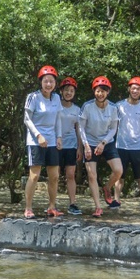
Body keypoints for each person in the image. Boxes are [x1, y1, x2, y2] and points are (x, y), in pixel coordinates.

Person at [23, 65, 64, 218]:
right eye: (46, 81)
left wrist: (59, 137)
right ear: (41, 82)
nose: (48, 84)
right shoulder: (33, 97)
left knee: (54, 176)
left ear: (55, 83)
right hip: (35, 141)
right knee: (34, 175)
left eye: (51, 81)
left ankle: (52, 207)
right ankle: (28, 208)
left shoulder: (57, 98)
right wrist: (38, 135)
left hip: (52, 140)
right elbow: (27, 119)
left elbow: (58, 119)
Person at [80, 76, 122, 217]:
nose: (100, 94)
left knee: (118, 170)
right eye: (98, 91)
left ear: (108, 92)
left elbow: (113, 128)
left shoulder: (113, 108)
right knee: (92, 175)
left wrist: (103, 143)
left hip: (106, 142)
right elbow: (81, 127)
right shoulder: (87, 106)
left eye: (103, 91)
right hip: (90, 142)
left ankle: (107, 188)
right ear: (94, 91)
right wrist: (86, 145)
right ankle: (98, 207)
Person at [115, 75, 140, 212]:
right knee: (119, 175)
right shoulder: (119, 106)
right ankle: (116, 200)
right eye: (133, 88)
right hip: (121, 146)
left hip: (138, 147)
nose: (135, 91)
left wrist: (138, 136)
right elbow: (114, 124)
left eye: (138, 89)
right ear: (129, 89)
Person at [55, 76, 85, 215]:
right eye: (66, 90)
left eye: (71, 91)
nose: (69, 93)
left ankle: (72, 203)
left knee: (70, 175)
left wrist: (80, 148)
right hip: (56, 144)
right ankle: (52, 204)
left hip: (71, 145)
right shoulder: (55, 106)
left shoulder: (77, 110)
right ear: (61, 91)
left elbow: (79, 130)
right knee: (54, 175)